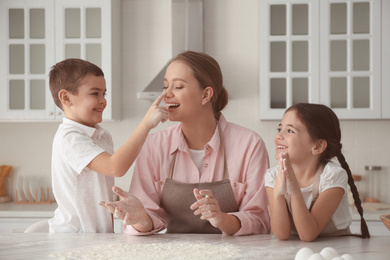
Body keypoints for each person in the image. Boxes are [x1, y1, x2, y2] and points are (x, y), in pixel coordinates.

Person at [99, 51, 270, 235]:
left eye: (178, 86)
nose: (167, 94)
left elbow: (259, 220)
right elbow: (147, 218)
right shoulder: (155, 145)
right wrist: (141, 219)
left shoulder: (249, 145)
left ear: (206, 95)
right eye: (165, 86)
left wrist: (222, 219)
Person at [48, 58, 168, 233]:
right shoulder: (70, 138)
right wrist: (146, 124)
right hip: (74, 237)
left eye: (104, 94)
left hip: (98, 236)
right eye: (94, 93)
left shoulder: (102, 135)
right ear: (66, 97)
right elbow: (115, 167)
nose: (103, 100)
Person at [265, 103, 370, 241]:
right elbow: (281, 234)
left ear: (318, 146)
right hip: (293, 250)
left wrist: (294, 190)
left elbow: (308, 234)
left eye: (290, 131)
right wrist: (278, 195)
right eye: (280, 128)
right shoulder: (273, 176)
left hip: (336, 247)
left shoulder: (333, 176)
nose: (279, 135)